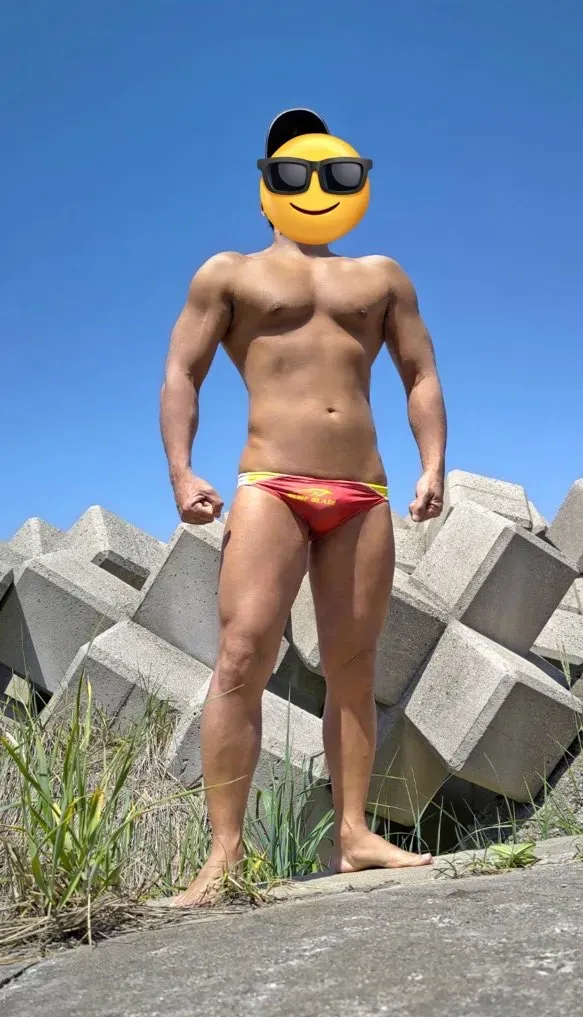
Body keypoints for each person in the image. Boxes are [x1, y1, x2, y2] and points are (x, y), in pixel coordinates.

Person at [160, 109, 447, 906]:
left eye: (332, 173)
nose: (312, 185)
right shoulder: (228, 274)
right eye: (290, 171)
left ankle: (353, 835)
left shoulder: (381, 277)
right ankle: (224, 855)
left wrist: (433, 464)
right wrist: (182, 473)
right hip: (273, 485)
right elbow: (182, 372)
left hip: (363, 492)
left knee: (353, 668)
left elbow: (420, 374)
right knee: (241, 656)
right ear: (265, 190)